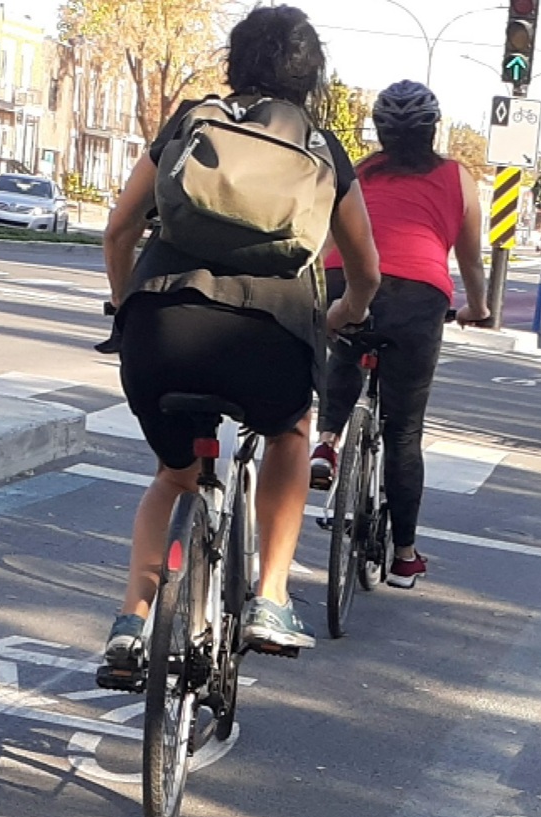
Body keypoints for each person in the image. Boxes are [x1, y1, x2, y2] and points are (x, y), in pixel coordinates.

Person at [99, 4, 381, 668]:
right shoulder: (321, 149)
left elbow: (118, 228)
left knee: (174, 477)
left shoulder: (193, 123)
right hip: (270, 339)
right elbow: (364, 271)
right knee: (289, 429)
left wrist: (123, 306)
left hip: (160, 328)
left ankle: (132, 624)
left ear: (234, 62)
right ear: (313, 76)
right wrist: (346, 314)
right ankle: (272, 596)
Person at [309, 79, 489, 590]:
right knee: (403, 431)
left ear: (379, 130)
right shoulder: (458, 178)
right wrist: (477, 307)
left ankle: (326, 444)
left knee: (344, 350)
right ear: (433, 128)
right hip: (419, 295)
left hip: (345, 275)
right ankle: (405, 556)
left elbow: (326, 237)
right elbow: (471, 259)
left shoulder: (359, 172)